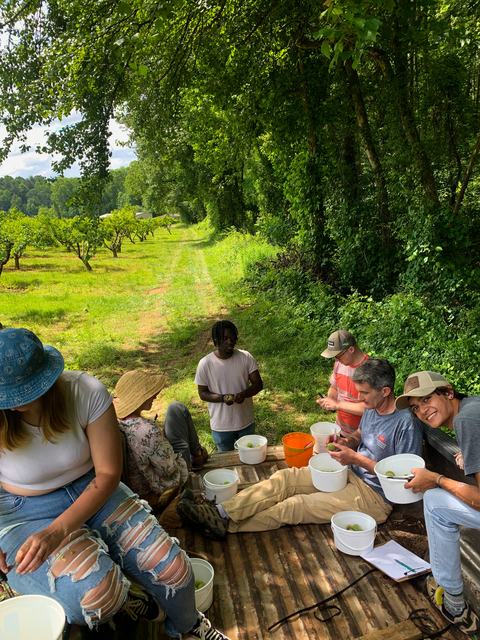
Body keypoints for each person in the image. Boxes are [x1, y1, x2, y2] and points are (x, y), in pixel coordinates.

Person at [0, 328, 229, 640]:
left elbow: (108, 474)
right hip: (21, 510)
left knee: (174, 570)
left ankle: (188, 626)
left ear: (47, 382)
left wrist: (57, 531)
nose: (10, 405)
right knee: (96, 596)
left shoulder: (84, 391)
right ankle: (127, 598)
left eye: (19, 396)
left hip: (95, 487)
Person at [178, 358, 422, 537]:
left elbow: (404, 479)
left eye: (364, 393)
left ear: (386, 391)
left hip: (374, 497)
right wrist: (347, 442)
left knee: (296, 506)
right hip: (350, 473)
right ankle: (220, 511)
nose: (359, 399)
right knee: (284, 478)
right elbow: (360, 434)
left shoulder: (405, 424)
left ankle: (225, 525)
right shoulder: (372, 407)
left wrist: (356, 459)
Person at [396, 371, 480, 637]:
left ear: (448, 392)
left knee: (433, 500)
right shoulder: (472, 407)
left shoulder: (467, 419)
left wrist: (437, 478)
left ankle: (455, 606)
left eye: (427, 398)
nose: (423, 410)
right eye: (416, 407)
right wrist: (469, 456)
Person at [113, 370, 208, 510]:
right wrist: (182, 460)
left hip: (141, 483)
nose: (155, 396)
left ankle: (197, 453)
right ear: (141, 398)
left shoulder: (118, 422)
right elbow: (171, 473)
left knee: (175, 411)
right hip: (164, 490)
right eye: (151, 393)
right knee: (177, 409)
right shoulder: (147, 430)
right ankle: (197, 455)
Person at [195, 320, 263, 452]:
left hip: (245, 422)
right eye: (225, 338)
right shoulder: (205, 364)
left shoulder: (245, 357)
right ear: (216, 340)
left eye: (233, 338)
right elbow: (202, 393)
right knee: (226, 463)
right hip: (221, 427)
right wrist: (223, 398)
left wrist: (243, 394)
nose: (230, 342)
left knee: (248, 457)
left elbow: (258, 384)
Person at [317, 329, 369, 436]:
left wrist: (338, 404)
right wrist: (330, 399)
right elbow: (334, 387)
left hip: (363, 435)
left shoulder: (370, 370)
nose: (336, 359)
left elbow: (369, 408)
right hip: (341, 430)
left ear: (350, 349)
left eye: (338, 355)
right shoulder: (339, 364)